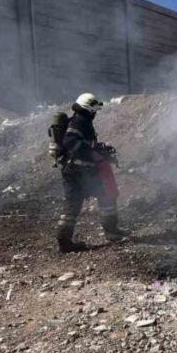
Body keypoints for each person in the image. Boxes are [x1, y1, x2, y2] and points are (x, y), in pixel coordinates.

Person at [56, 93, 124, 253]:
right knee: (101, 197)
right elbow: (70, 142)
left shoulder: (81, 120)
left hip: (80, 171)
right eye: (94, 110)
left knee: (98, 198)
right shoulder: (80, 121)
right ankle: (66, 242)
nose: (96, 113)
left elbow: (84, 143)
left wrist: (99, 149)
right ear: (88, 109)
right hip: (78, 172)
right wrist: (92, 153)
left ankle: (65, 241)